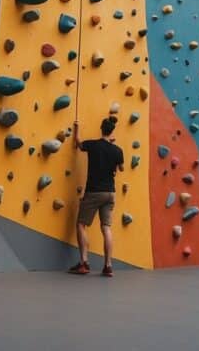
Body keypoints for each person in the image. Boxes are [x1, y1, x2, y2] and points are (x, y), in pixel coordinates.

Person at [68, 116, 124, 277]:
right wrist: (112, 149)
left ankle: (84, 262)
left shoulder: (92, 145)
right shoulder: (117, 150)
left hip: (94, 192)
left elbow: (78, 143)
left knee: (81, 224)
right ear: (112, 131)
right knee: (106, 228)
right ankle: (108, 266)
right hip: (110, 193)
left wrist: (77, 128)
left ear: (101, 129)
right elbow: (121, 168)